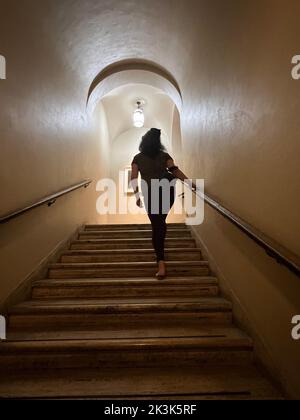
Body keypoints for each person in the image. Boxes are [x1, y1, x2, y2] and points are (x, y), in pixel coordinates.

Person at [131, 128, 197, 279]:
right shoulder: (164, 155)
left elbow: (133, 178)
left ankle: (161, 263)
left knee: (157, 224)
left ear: (144, 141)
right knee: (160, 222)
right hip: (167, 192)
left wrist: (137, 195)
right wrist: (190, 183)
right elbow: (174, 170)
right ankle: (161, 262)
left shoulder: (137, 158)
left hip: (150, 194)